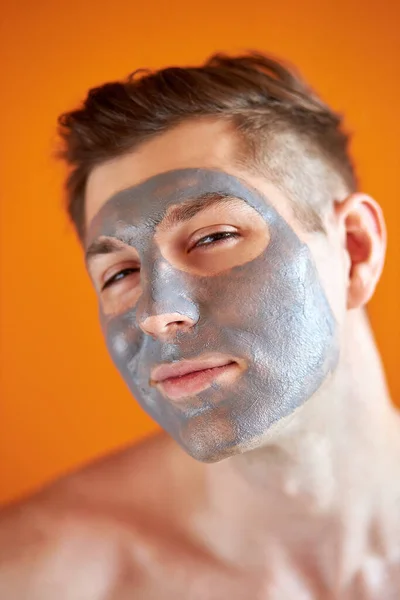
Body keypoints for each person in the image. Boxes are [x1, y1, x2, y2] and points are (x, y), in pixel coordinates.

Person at [0, 51, 399, 599]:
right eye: (119, 272)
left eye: (212, 237)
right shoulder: (39, 579)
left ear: (355, 250)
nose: (156, 313)